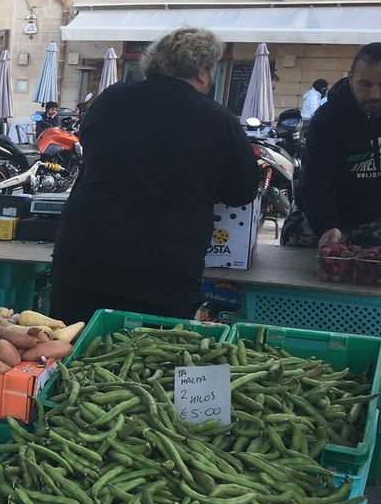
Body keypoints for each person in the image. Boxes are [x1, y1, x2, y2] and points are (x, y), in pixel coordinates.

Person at [49, 27, 259, 324]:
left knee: (70, 342)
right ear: (202, 72)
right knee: (151, 349)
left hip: (84, 253)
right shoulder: (219, 120)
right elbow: (242, 191)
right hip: (164, 265)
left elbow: (92, 146)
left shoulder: (110, 99)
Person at [284, 44, 381, 249]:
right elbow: (315, 179)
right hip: (320, 219)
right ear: (351, 77)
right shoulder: (327, 119)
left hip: (373, 221)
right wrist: (325, 224)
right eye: (365, 85)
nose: (375, 94)